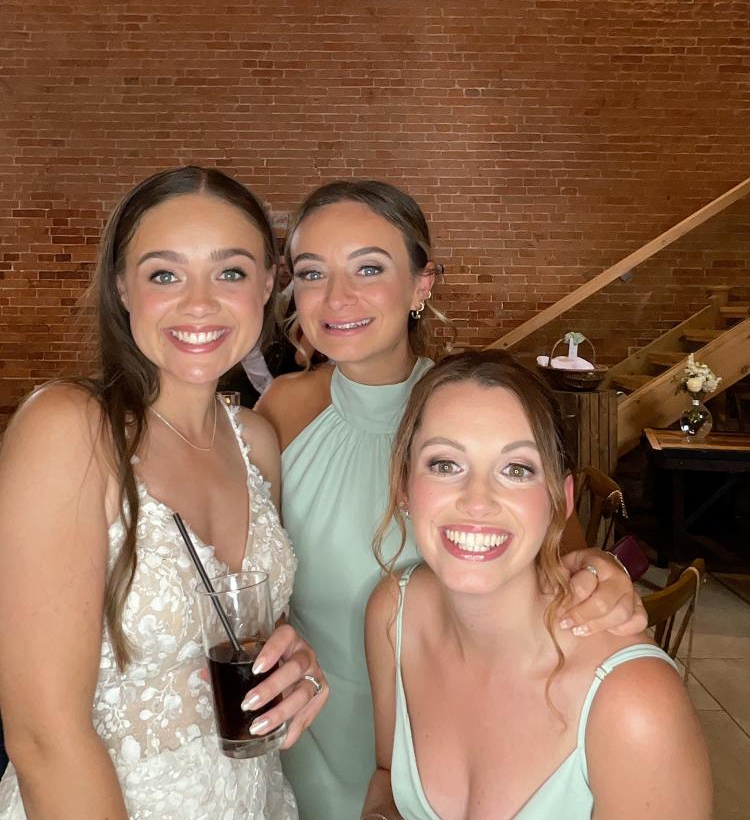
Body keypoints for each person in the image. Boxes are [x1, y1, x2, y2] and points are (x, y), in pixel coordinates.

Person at [256, 180, 648, 820]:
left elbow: (561, 560)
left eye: (369, 268)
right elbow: (250, 575)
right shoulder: (282, 410)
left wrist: (600, 573)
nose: (336, 297)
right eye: (311, 272)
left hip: (451, 747)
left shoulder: (476, 413)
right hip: (310, 734)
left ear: (422, 284)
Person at [0, 167, 328, 819]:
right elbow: (43, 739)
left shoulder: (256, 441)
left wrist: (297, 662)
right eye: (165, 275)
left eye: (230, 272)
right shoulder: (69, 430)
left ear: (268, 284)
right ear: (123, 287)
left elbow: (249, 630)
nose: (199, 304)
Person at [363, 350, 712, 820]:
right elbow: (387, 777)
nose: (477, 501)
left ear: (559, 501)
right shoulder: (393, 613)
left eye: (516, 469)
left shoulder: (635, 705)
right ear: (404, 486)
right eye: (445, 464)